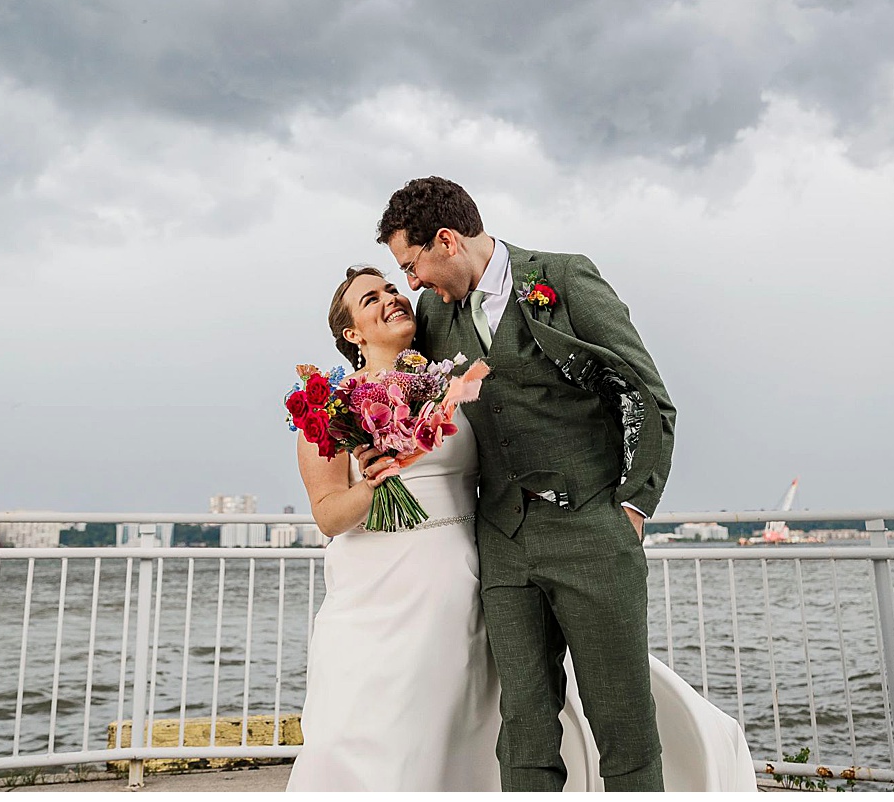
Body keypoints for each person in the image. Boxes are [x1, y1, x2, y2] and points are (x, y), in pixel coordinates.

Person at [287, 266, 753, 790]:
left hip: (463, 573)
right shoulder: (329, 405)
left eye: (392, 288)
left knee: (475, 719)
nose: (392, 298)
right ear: (352, 334)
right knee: (365, 723)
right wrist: (375, 483)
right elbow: (328, 514)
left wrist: (606, 503)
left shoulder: (453, 388)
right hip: (376, 588)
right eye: (370, 299)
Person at [370, 175, 682, 791]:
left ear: (447, 241)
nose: (412, 284)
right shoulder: (434, 313)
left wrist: (634, 505)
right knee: (523, 725)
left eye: (412, 265)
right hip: (503, 537)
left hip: (593, 529)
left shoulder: (564, 279)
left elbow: (647, 394)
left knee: (620, 721)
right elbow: (413, 398)